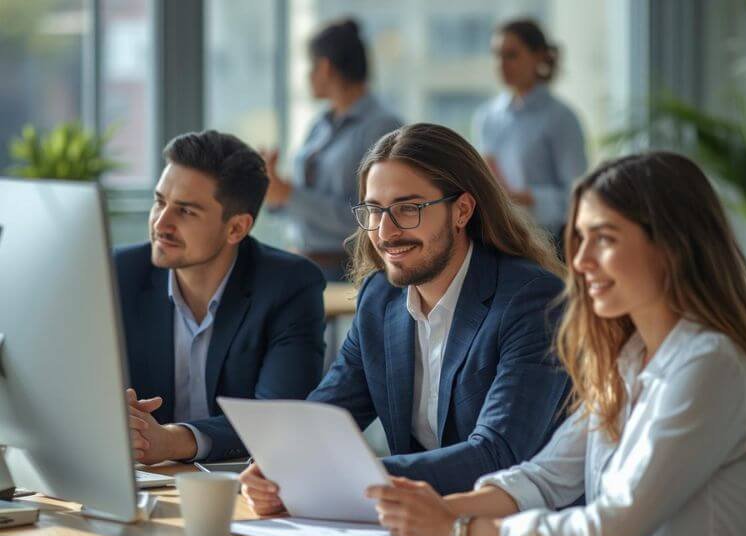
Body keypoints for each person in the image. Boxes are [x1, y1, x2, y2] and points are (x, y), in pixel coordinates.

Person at [366, 152, 746, 536]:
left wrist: (458, 531)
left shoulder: (712, 364)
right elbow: (544, 478)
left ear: (672, 247)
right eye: (581, 239)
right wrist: (426, 512)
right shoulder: (628, 359)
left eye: (605, 239)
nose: (582, 261)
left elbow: (606, 534)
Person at [239, 123, 570, 511]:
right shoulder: (380, 298)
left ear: (462, 210)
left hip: (519, 535)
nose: (385, 231)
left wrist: (345, 476)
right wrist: (276, 467)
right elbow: (324, 419)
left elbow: (498, 454)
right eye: (374, 210)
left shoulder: (532, 300)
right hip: (414, 531)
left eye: (407, 209)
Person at [116, 130, 326, 463]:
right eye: (160, 202)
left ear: (236, 229)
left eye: (186, 212)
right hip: (142, 484)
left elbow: (278, 419)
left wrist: (172, 441)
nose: (161, 223)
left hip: (242, 487)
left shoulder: (289, 286)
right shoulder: (119, 274)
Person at [263, 18, 402, 281]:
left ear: (325, 67)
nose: (307, 76)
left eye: (309, 67)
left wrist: (290, 195)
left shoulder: (382, 127)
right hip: (305, 262)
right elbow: (302, 198)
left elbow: (372, 217)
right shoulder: (321, 124)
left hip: (350, 271)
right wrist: (275, 192)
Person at [474, 18, 587, 244]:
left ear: (538, 57)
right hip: (501, 238)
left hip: (551, 242)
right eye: (497, 55)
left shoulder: (561, 118)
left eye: (511, 55)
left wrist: (526, 198)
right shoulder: (487, 117)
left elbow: (578, 196)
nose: (501, 64)